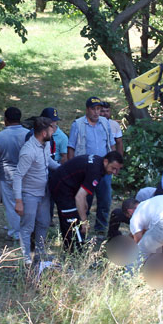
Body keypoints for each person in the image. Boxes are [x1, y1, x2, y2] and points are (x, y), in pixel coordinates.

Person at [49, 151, 124, 251]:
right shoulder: (95, 170)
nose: (115, 172)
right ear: (106, 161)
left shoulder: (98, 163)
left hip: (69, 186)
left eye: (118, 170)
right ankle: (76, 253)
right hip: (62, 187)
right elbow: (79, 197)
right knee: (74, 221)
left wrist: (84, 209)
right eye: (113, 168)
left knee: (76, 215)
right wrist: (84, 222)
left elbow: (83, 194)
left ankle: (69, 248)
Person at [13, 117, 60, 264]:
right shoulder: (28, 151)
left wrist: (63, 168)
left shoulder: (45, 145)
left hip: (43, 192)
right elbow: (18, 176)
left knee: (44, 223)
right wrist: (19, 201)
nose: (55, 131)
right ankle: (25, 258)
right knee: (27, 227)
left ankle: (40, 254)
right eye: (52, 129)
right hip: (30, 194)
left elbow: (49, 162)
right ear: (44, 133)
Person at [67, 97, 116, 235]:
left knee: (105, 200)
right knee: (84, 200)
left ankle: (100, 229)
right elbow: (71, 147)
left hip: (104, 169)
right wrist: (72, 169)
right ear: (87, 109)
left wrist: (113, 163)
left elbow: (111, 144)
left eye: (99, 109)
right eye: (94, 109)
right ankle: (82, 228)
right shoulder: (78, 124)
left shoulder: (105, 123)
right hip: (85, 170)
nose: (96, 112)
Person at [0, 107, 30, 241]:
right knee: (27, 203)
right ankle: (28, 230)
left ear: (5, 120)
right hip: (27, 175)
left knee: (11, 205)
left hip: (7, 176)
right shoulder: (29, 135)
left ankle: (16, 232)